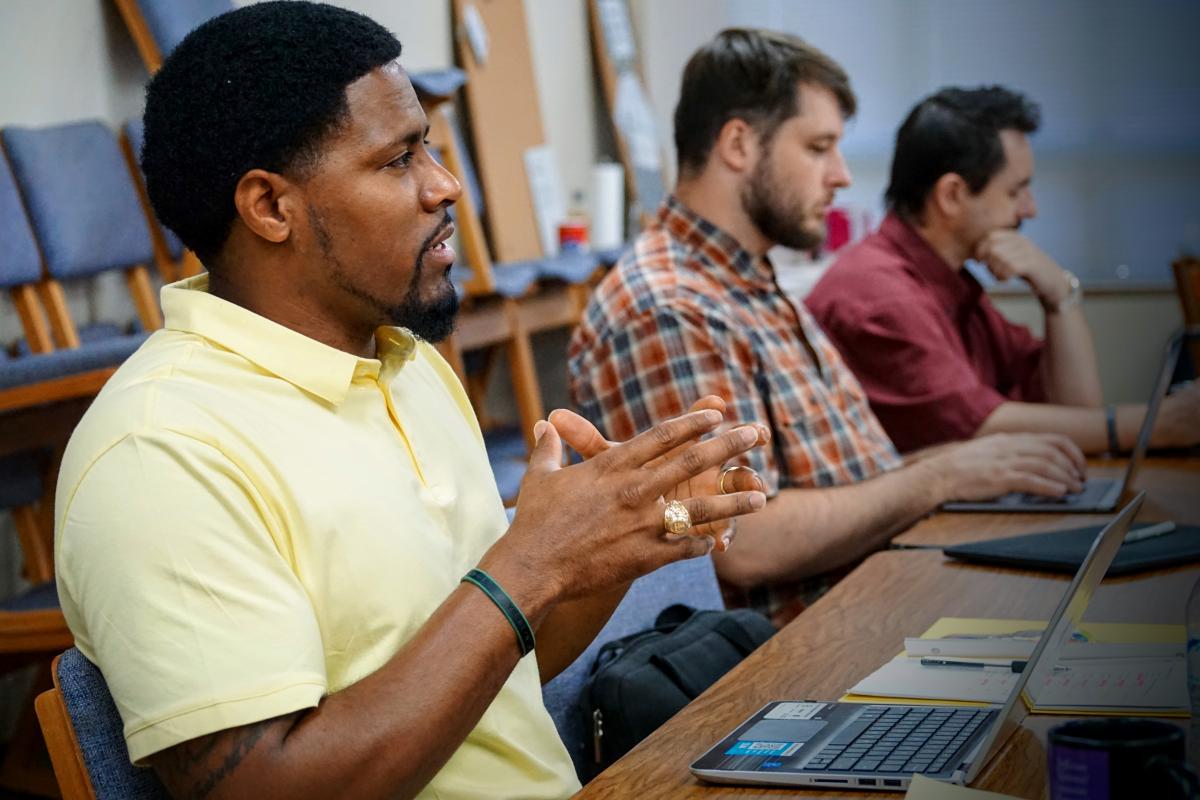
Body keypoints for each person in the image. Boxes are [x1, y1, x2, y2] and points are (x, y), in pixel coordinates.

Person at [53, 4, 769, 799]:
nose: (446, 185)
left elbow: (492, 670)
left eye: (428, 146)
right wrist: (528, 566)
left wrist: (608, 543)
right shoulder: (162, 452)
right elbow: (264, 787)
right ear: (269, 208)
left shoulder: (407, 366)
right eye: (398, 160)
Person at [569, 30, 1087, 627]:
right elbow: (744, 541)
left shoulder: (750, 281)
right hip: (803, 661)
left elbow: (866, 480)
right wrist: (945, 475)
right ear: (738, 144)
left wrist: (979, 465)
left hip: (881, 603)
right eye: (819, 147)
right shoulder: (669, 307)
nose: (841, 175)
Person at [807, 86, 1200, 454]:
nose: (1030, 210)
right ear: (952, 195)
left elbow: (1075, 410)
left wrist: (1059, 296)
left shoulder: (951, 282)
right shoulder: (879, 292)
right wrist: (1157, 425)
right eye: (1015, 192)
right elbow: (977, 425)